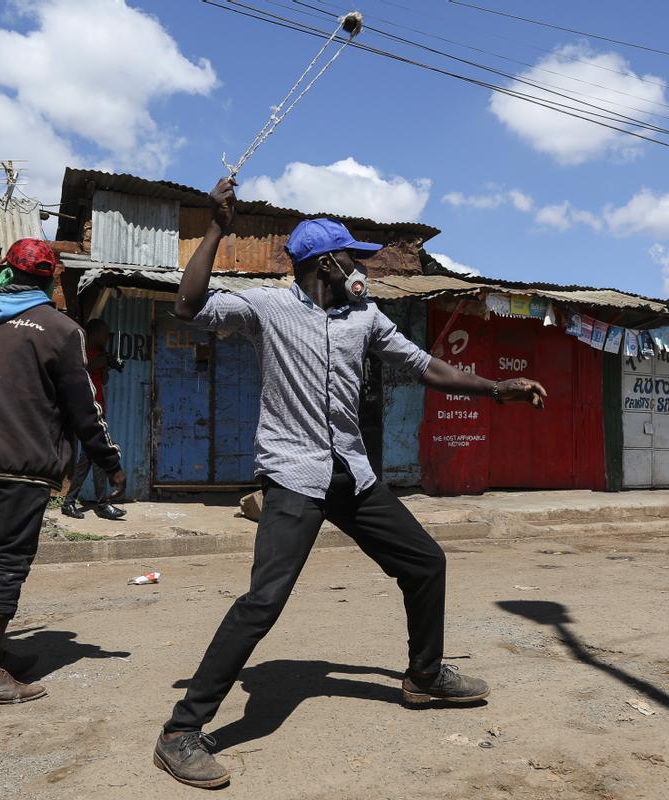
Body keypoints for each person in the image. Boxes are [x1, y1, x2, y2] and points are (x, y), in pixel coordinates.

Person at [153, 178, 548, 789]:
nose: (363, 267)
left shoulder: (364, 317)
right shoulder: (268, 308)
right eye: (355, 258)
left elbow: (426, 366)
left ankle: (424, 675)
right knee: (264, 601)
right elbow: (188, 306)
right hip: (294, 474)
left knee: (425, 562)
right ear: (328, 263)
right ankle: (182, 731)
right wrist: (215, 228)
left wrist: (497, 387)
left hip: (351, 473)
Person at [0, 238, 126, 706]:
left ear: (7, 271)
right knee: (6, 564)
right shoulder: (60, 329)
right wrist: (109, 462)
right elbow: (85, 408)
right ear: (50, 279)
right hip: (19, 468)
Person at [62, 318, 126, 521]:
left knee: (89, 459)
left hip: (98, 410)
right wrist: (100, 362)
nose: (106, 337)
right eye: (104, 333)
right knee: (96, 457)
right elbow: (82, 372)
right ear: (94, 334)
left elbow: (103, 380)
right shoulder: (82, 353)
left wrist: (107, 366)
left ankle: (72, 502)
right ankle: (101, 504)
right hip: (86, 411)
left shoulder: (100, 354)